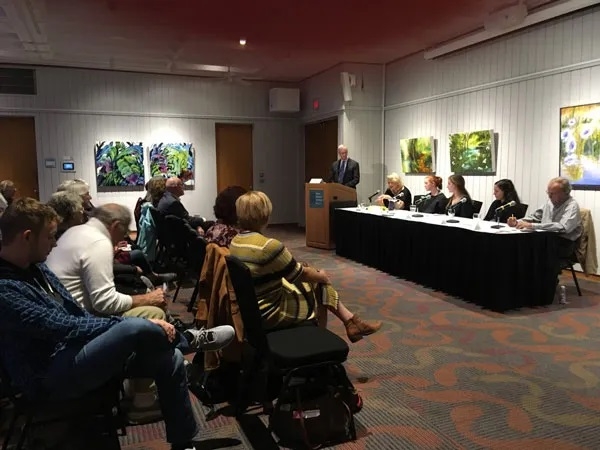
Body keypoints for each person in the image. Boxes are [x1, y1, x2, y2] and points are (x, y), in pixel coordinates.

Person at [0, 198, 235, 450]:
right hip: (48, 376)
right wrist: (119, 326)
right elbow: (63, 326)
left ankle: (183, 442)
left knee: (170, 358)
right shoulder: (5, 288)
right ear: (26, 237)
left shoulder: (36, 269)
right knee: (131, 326)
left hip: (73, 351)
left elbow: (75, 317)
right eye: (49, 237)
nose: (54, 243)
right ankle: (190, 339)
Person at [229, 191, 381, 343]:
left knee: (315, 278)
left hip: (252, 309)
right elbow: (299, 274)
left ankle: (351, 322)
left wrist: (309, 271)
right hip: (271, 312)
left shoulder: (236, 241)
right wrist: (321, 275)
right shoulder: (268, 246)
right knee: (320, 285)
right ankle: (324, 339)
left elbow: (285, 269)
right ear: (265, 214)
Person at [46, 203, 170, 320]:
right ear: (115, 225)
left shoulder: (75, 231)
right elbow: (104, 303)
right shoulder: (99, 242)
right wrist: (147, 299)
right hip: (80, 317)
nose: (122, 238)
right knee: (155, 312)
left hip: (60, 308)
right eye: (124, 232)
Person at [508, 177, 582, 264]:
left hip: (563, 243)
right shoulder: (549, 202)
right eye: (548, 192)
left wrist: (532, 226)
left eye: (552, 193)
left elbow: (563, 227)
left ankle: (544, 276)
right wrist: (518, 222)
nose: (549, 196)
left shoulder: (572, 206)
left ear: (565, 193)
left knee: (531, 250)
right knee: (519, 245)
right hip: (546, 239)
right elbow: (535, 217)